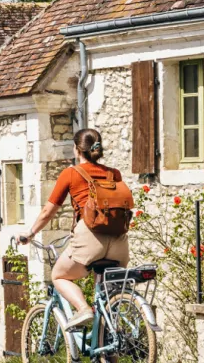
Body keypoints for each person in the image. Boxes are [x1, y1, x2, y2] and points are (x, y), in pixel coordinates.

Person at [19, 128, 130, 330]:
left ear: (77, 150)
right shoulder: (114, 174)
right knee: (106, 301)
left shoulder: (71, 173)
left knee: (58, 276)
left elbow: (48, 211)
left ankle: (83, 309)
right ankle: (109, 354)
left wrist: (30, 233)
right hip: (119, 241)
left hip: (90, 239)